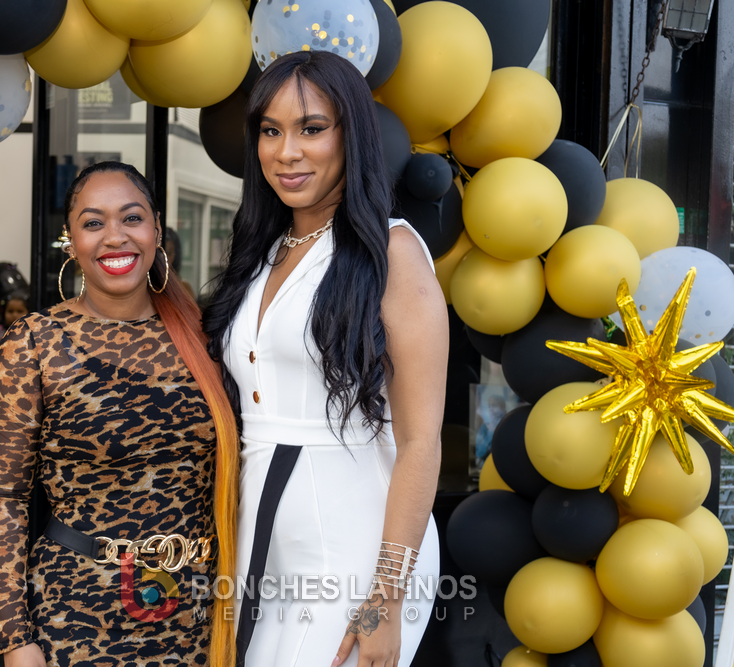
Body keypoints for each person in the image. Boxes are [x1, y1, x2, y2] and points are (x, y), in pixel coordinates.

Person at [203, 51, 448, 666]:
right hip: (261, 540)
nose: (287, 152)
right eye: (271, 131)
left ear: (350, 135)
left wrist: (385, 599)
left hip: (358, 548)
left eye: (311, 128)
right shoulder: (260, 251)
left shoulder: (391, 252)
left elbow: (421, 441)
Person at [0, 162, 239, 667]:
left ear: (156, 229)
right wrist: (14, 639)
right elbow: (0, 498)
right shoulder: (33, 343)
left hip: (198, 611)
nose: (115, 237)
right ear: (71, 241)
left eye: (131, 218)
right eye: (93, 223)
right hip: (76, 612)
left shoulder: (209, 337)